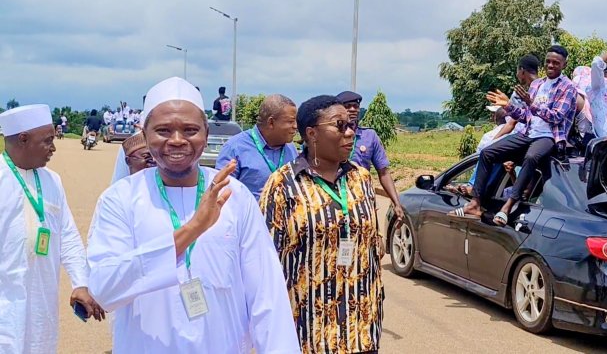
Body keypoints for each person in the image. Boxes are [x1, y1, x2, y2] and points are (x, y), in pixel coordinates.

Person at [86, 77, 299, 353]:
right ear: (145, 133)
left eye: (189, 130)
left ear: (206, 134)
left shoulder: (235, 196)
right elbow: (104, 289)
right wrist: (193, 229)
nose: (177, 140)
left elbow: (267, 296)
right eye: (163, 130)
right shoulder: (121, 199)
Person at [259, 95, 384, 354]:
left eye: (351, 125)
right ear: (312, 133)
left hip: (360, 329)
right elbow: (264, 264)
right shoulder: (283, 185)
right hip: (308, 333)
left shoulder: (360, 178)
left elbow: (371, 249)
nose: (350, 132)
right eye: (340, 125)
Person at [0, 104, 104, 353]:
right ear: (23, 139)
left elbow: (67, 234)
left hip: (40, 304)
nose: (54, 148)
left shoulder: (51, 180)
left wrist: (80, 282)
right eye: (47, 141)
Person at [461, 45, 577, 226]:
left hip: (549, 136)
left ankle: (507, 207)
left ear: (564, 64)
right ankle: (475, 203)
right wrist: (508, 106)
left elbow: (556, 117)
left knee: (531, 157)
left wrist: (532, 104)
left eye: (556, 63)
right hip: (528, 132)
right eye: (548, 62)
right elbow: (525, 116)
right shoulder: (537, 84)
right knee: (487, 152)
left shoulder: (568, 87)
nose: (551, 65)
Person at [337, 90, 406, 226]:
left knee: (371, 240)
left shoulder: (369, 136)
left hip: (363, 200)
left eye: (355, 106)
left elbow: (384, 172)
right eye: (347, 106)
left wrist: (396, 202)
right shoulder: (329, 135)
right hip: (336, 198)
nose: (352, 110)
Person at [216, 94, 298, 200]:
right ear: (271, 122)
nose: (295, 126)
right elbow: (221, 192)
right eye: (290, 121)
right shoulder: (235, 148)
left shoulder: (291, 149)